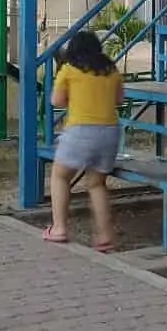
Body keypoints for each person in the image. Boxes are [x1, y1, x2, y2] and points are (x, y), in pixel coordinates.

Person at [44, 30, 124, 251]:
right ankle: (105, 235)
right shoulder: (111, 69)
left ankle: (59, 228)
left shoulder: (68, 70)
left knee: (60, 176)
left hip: (80, 130)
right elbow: (119, 99)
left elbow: (56, 101)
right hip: (110, 131)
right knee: (97, 183)